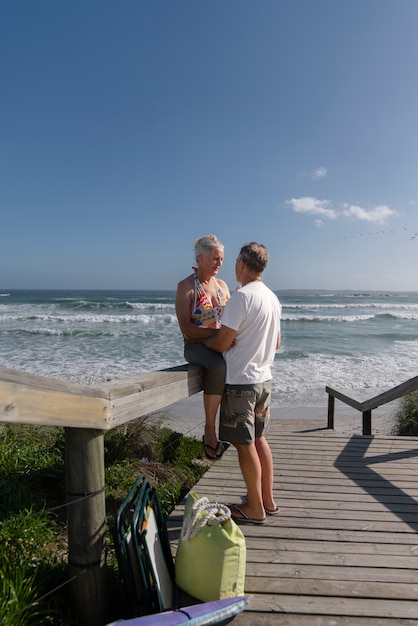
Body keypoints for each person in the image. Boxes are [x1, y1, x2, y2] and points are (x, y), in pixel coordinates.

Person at [204, 242, 281, 523]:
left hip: (241, 383)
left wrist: (204, 342)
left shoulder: (242, 298)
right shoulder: (272, 298)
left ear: (242, 264)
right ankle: (267, 501)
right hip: (264, 380)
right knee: (259, 439)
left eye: (235, 261)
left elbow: (223, 342)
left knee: (245, 444)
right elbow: (277, 341)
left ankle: (254, 508)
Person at [175, 235, 231, 459]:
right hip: (195, 347)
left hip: (218, 343)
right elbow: (187, 329)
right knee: (218, 367)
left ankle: (235, 428)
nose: (219, 263)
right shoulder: (186, 287)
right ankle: (210, 430)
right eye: (215, 259)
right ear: (200, 258)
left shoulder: (222, 286)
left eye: (222, 259)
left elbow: (231, 318)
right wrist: (215, 335)